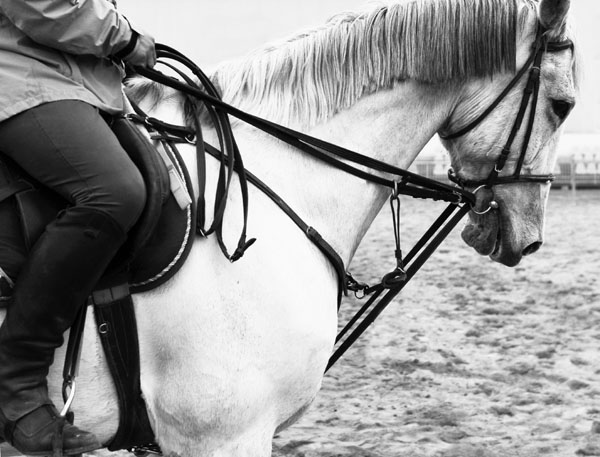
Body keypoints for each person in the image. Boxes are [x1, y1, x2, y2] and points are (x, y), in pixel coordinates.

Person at [0, 0, 156, 454]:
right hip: (18, 75)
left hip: (59, 72)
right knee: (113, 190)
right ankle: (14, 379)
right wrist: (123, 39)